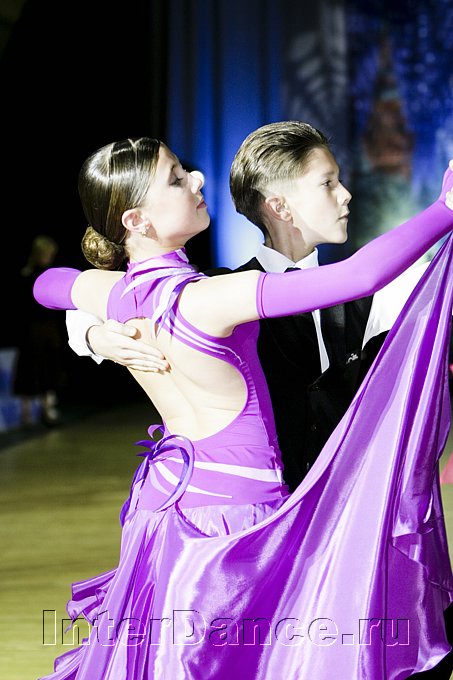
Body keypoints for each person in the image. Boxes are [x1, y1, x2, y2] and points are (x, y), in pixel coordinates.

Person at [33, 134, 453, 679]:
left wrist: (96, 333)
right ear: (137, 219)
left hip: (164, 507)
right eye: (177, 179)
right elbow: (359, 275)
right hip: (241, 513)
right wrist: (445, 208)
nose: (196, 179)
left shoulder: (114, 294)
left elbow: (49, 284)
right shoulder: (211, 298)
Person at [67, 122, 431, 491]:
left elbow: (422, 279)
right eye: (328, 183)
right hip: (261, 500)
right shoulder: (216, 292)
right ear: (280, 207)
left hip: (345, 502)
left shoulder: (369, 296)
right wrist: (95, 336)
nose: (346, 195)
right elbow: (83, 300)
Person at [13, 234, 65, 426]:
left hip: (48, 328)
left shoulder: (49, 274)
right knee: (32, 369)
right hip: (33, 329)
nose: (48, 257)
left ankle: (47, 410)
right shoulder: (28, 275)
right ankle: (27, 413)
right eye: (46, 253)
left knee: (49, 368)